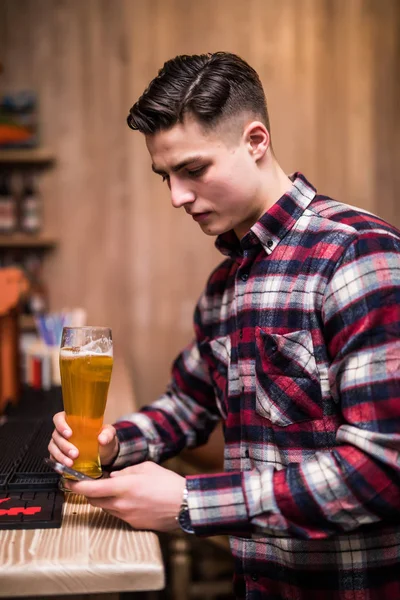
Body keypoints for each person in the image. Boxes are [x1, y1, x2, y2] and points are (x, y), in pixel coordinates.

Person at [49, 52, 400, 599]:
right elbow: (189, 405)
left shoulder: (358, 256)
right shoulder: (225, 281)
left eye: (193, 169)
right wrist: (116, 444)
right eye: (165, 175)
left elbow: (381, 472)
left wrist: (192, 503)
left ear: (255, 140)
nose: (176, 197)